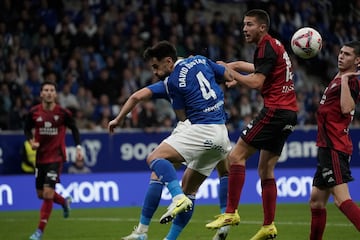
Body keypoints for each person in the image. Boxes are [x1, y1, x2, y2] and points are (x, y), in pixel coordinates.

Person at [108, 40, 234, 240]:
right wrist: (229, 77)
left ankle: (174, 199)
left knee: (155, 159)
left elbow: (143, 99)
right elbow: (228, 74)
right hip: (222, 134)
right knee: (190, 188)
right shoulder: (201, 60)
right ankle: (167, 236)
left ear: (169, 61)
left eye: (156, 67)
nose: (155, 72)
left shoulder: (171, 81)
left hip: (200, 129)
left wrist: (118, 119)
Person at [205, 9, 298, 240]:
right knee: (265, 170)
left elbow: (257, 81)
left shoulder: (265, 47)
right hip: (289, 113)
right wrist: (233, 65)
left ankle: (230, 212)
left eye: (249, 25)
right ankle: (268, 225)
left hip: (275, 111)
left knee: (236, 157)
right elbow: (256, 68)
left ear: (262, 27)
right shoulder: (273, 45)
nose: (244, 29)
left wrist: (232, 75)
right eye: (243, 24)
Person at [309, 41, 360, 239]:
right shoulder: (339, 77)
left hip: (334, 147)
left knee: (341, 199)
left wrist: (346, 81)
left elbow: (347, 108)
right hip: (326, 146)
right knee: (316, 201)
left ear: (357, 60)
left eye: (347, 54)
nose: (341, 56)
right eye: (340, 52)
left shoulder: (351, 80)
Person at [24, 80, 83, 240]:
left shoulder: (63, 113)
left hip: (56, 157)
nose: (49, 92)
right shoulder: (34, 112)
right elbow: (26, 128)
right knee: (41, 194)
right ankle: (64, 202)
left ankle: (39, 231)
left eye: (52, 90)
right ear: (41, 93)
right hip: (40, 158)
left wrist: (78, 148)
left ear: (55, 94)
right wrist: (31, 141)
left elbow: (74, 128)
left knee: (48, 193)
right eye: (46, 90)